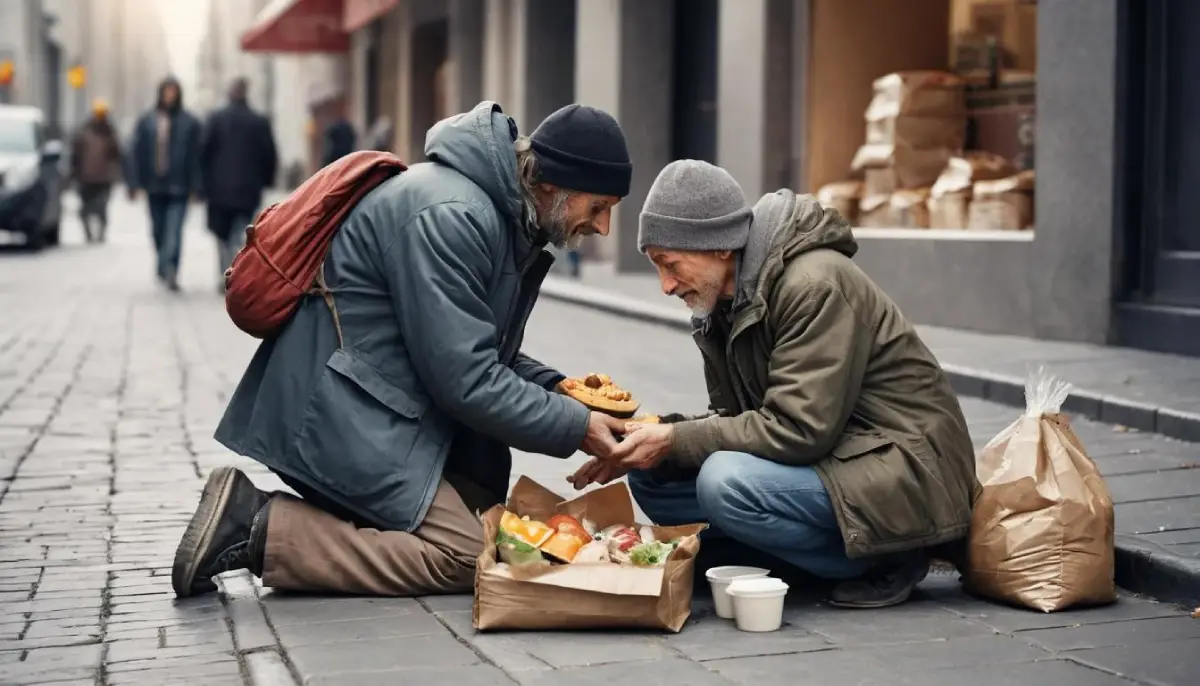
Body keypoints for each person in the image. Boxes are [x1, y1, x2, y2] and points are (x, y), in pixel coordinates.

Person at [171, 101, 634, 599]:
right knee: (465, 556)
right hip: (340, 413)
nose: (603, 227)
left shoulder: (496, 216)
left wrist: (568, 394)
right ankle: (254, 524)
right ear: (551, 185)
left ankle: (337, 518)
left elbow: (478, 351)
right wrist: (579, 428)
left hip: (379, 406)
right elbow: (467, 379)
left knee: (488, 521)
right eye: (598, 207)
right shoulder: (453, 216)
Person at [570, 160, 979, 609]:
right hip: (840, 455)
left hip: (906, 468)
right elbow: (735, 420)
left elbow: (797, 430)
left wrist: (675, 439)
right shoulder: (723, 302)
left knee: (724, 482)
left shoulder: (813, 284)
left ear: (719, 246)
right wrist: (651, 437)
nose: (666, 285)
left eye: (670, 264)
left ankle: (891, 559)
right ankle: (776, 554)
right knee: (652, 476)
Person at [200, 77, 279, 291]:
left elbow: (203, 153)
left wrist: (203, 184)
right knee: (242, 232)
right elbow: (269, 154)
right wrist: (267, 180)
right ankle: (236, 271)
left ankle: (224, 272)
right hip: (248, 190)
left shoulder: (215, 119)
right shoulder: (258, 121)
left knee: (222, 235)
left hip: (218, 191)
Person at [127, 76, 203, 291]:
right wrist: (134, 183)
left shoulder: (190, 122)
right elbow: (135, 153)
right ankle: (162, 262)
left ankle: (171, 270)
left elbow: (197, 157)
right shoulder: (147, 121)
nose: (170, 95)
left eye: (174, 91)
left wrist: (197, 187)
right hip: (154, 187)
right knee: (158, 231)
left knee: (174, 232)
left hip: (180, 187)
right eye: (166, 91)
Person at [70, 98, 123, 244]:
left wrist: (115, 172)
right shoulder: (83, 132)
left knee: (102, 207)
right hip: (85, 178)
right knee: (84, 209)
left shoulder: (110, 133)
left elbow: (117, 155)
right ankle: (88, 234)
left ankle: (101, 234)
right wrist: (73, 174)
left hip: (104, 178)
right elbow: (75, 155)